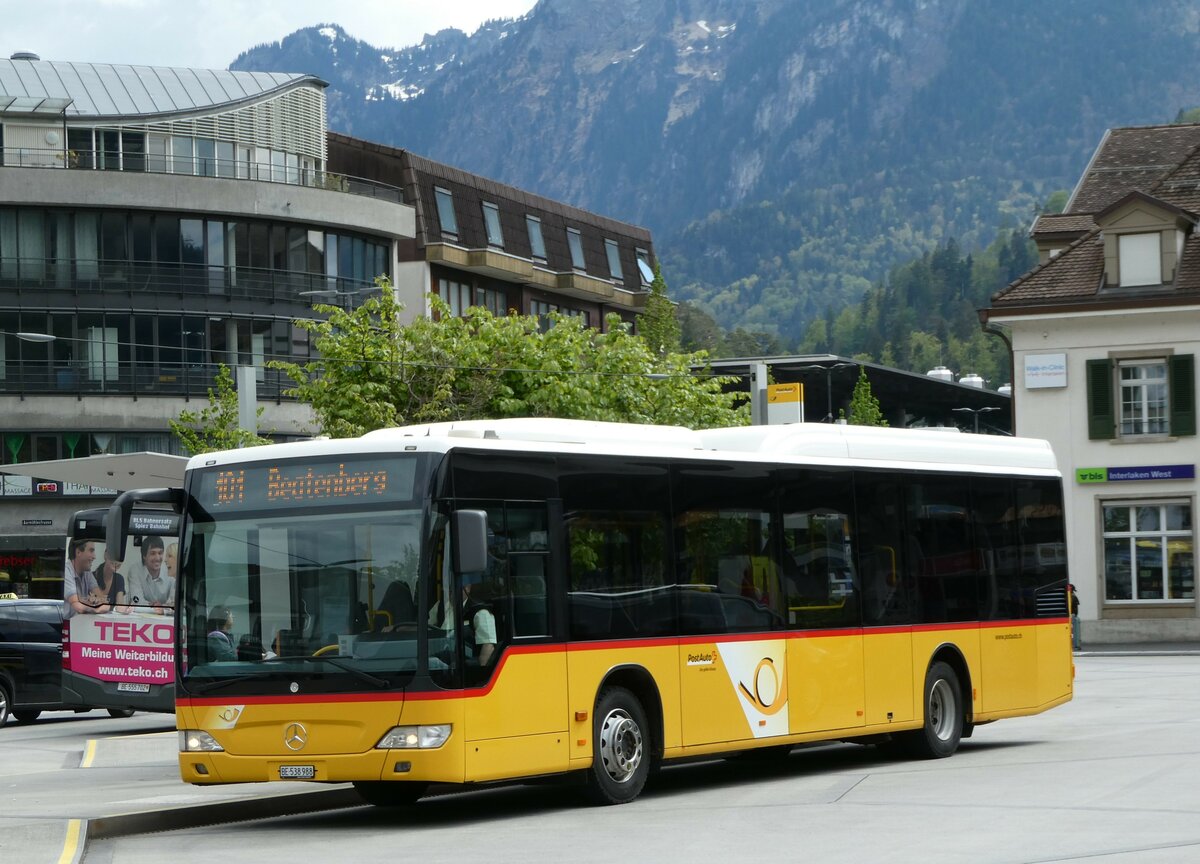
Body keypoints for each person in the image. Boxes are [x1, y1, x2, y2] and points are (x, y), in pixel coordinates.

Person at [130, 536, 174, 615]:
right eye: (152, 553)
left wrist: (163, 608)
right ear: (144, 556)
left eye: (160, 553)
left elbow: (175, 605)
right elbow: (136, 601)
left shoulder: (170, 570)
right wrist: (157, 607)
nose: (157, 558)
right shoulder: (135, 570)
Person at [64, 539, 108, 617]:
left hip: (80, 625)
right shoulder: (66, 572)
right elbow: (78, 606)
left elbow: (104, 602)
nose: (94, 556)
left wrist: (91, 604)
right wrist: (95, 607)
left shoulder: (87, 573)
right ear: (78, 552)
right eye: (91, 551)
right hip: (66, 626)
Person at [461, 572, 497, 666]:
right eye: (447, 588)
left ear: (467, 588)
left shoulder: (480, 612)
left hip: (465, 662)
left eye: (453, 588)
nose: (449, 591)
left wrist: (481, 671)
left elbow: (488, 645)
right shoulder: (441, 605)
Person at [1069, 583, 1082, 651]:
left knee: (1073, 632)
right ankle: (1075, 645)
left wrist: (1074, 615)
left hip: (1072, 615)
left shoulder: (1072, 597)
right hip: (1072, 615)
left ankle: (1075, 645)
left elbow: (1074, 608)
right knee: (1073, 632)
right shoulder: (1072, 596)